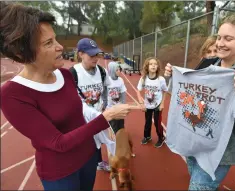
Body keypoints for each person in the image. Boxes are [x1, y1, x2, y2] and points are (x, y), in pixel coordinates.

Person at [0, 2, 139, 190]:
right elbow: (58, 143)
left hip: (88, 159)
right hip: (60, 173)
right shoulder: (13, 95)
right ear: (21, 53)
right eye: (49, 43)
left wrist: (102, 120)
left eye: (55, 39)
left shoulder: (64, 75)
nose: (60, 47)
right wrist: (107, 117)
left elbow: (79, 112)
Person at [165, 13, 235, 190]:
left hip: (221, 150)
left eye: (228, 38)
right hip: (195, 140)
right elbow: (187, 97)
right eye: (219, 37)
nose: (220, 43)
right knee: (196, 177)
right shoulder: (207, 63)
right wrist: (172, 78)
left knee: (198, 186)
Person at [69, 37, 111, 171]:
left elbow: (107, 88)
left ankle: (98, 163)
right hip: (82, 118)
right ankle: (91, 164)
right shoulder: (73, 73)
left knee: (102, 139)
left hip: (99, 114)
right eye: (91, 55)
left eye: (97, 54)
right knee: (87, 143)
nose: (95, 58)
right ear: (80, 54)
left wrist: (105, 104)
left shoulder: (102, 71)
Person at [137, 57, 168, 148]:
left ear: (157, 67)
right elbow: (138, 90)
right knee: (147, 122)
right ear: (147, 66)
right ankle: (147, 137)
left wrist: (162, 104)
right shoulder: (143, 79)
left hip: (157, 105)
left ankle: (161, 138)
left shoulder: (161, 79)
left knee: (157, 123)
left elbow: (165, 91)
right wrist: (141, 103)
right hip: (147, 105)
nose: (153, 65)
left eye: (155, 64)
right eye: (151, 64)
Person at [106, 61, 127, 134]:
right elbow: (103, 93)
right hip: (110, 108)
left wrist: (123, 105)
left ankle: (121, 139)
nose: (119, 71)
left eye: (119, 70)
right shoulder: (107, 80)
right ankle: (114, 141)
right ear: (111, 70)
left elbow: (123, 92)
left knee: (121, 125)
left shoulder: (120, 80)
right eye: (117, 70)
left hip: (119, 107)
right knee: (113, 126)